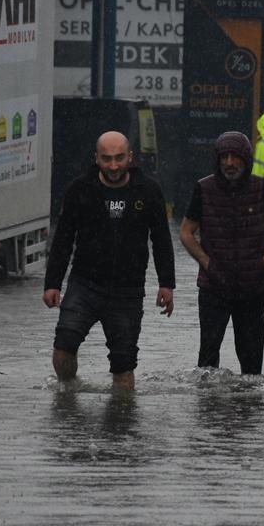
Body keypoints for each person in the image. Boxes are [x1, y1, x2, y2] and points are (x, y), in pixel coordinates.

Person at [43, 131, 175, 390]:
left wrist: (167, 284)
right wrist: (52, 283)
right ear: (96, 158)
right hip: (84, 285)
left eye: (119, 158)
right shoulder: (80, 189)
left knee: (123, 365)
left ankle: (121, 413)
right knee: (63, 347)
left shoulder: (148, 190)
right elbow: (63, 240)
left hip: (128, 291)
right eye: (106, 159)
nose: (113, 166)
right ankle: (67, 393)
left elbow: (161, 240)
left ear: (130, 157)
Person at [179, 131, 264, 375]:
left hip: (252, 289)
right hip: (213, 287)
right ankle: (208, 401)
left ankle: (248, 401)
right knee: (207, 364)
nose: (229, 162)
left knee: (252, 368)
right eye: (224, 157)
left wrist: (262, 264)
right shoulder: (204, 188)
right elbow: (186, 232)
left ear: (246, 159)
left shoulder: (262, 188)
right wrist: (207, 263)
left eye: (235, 156)